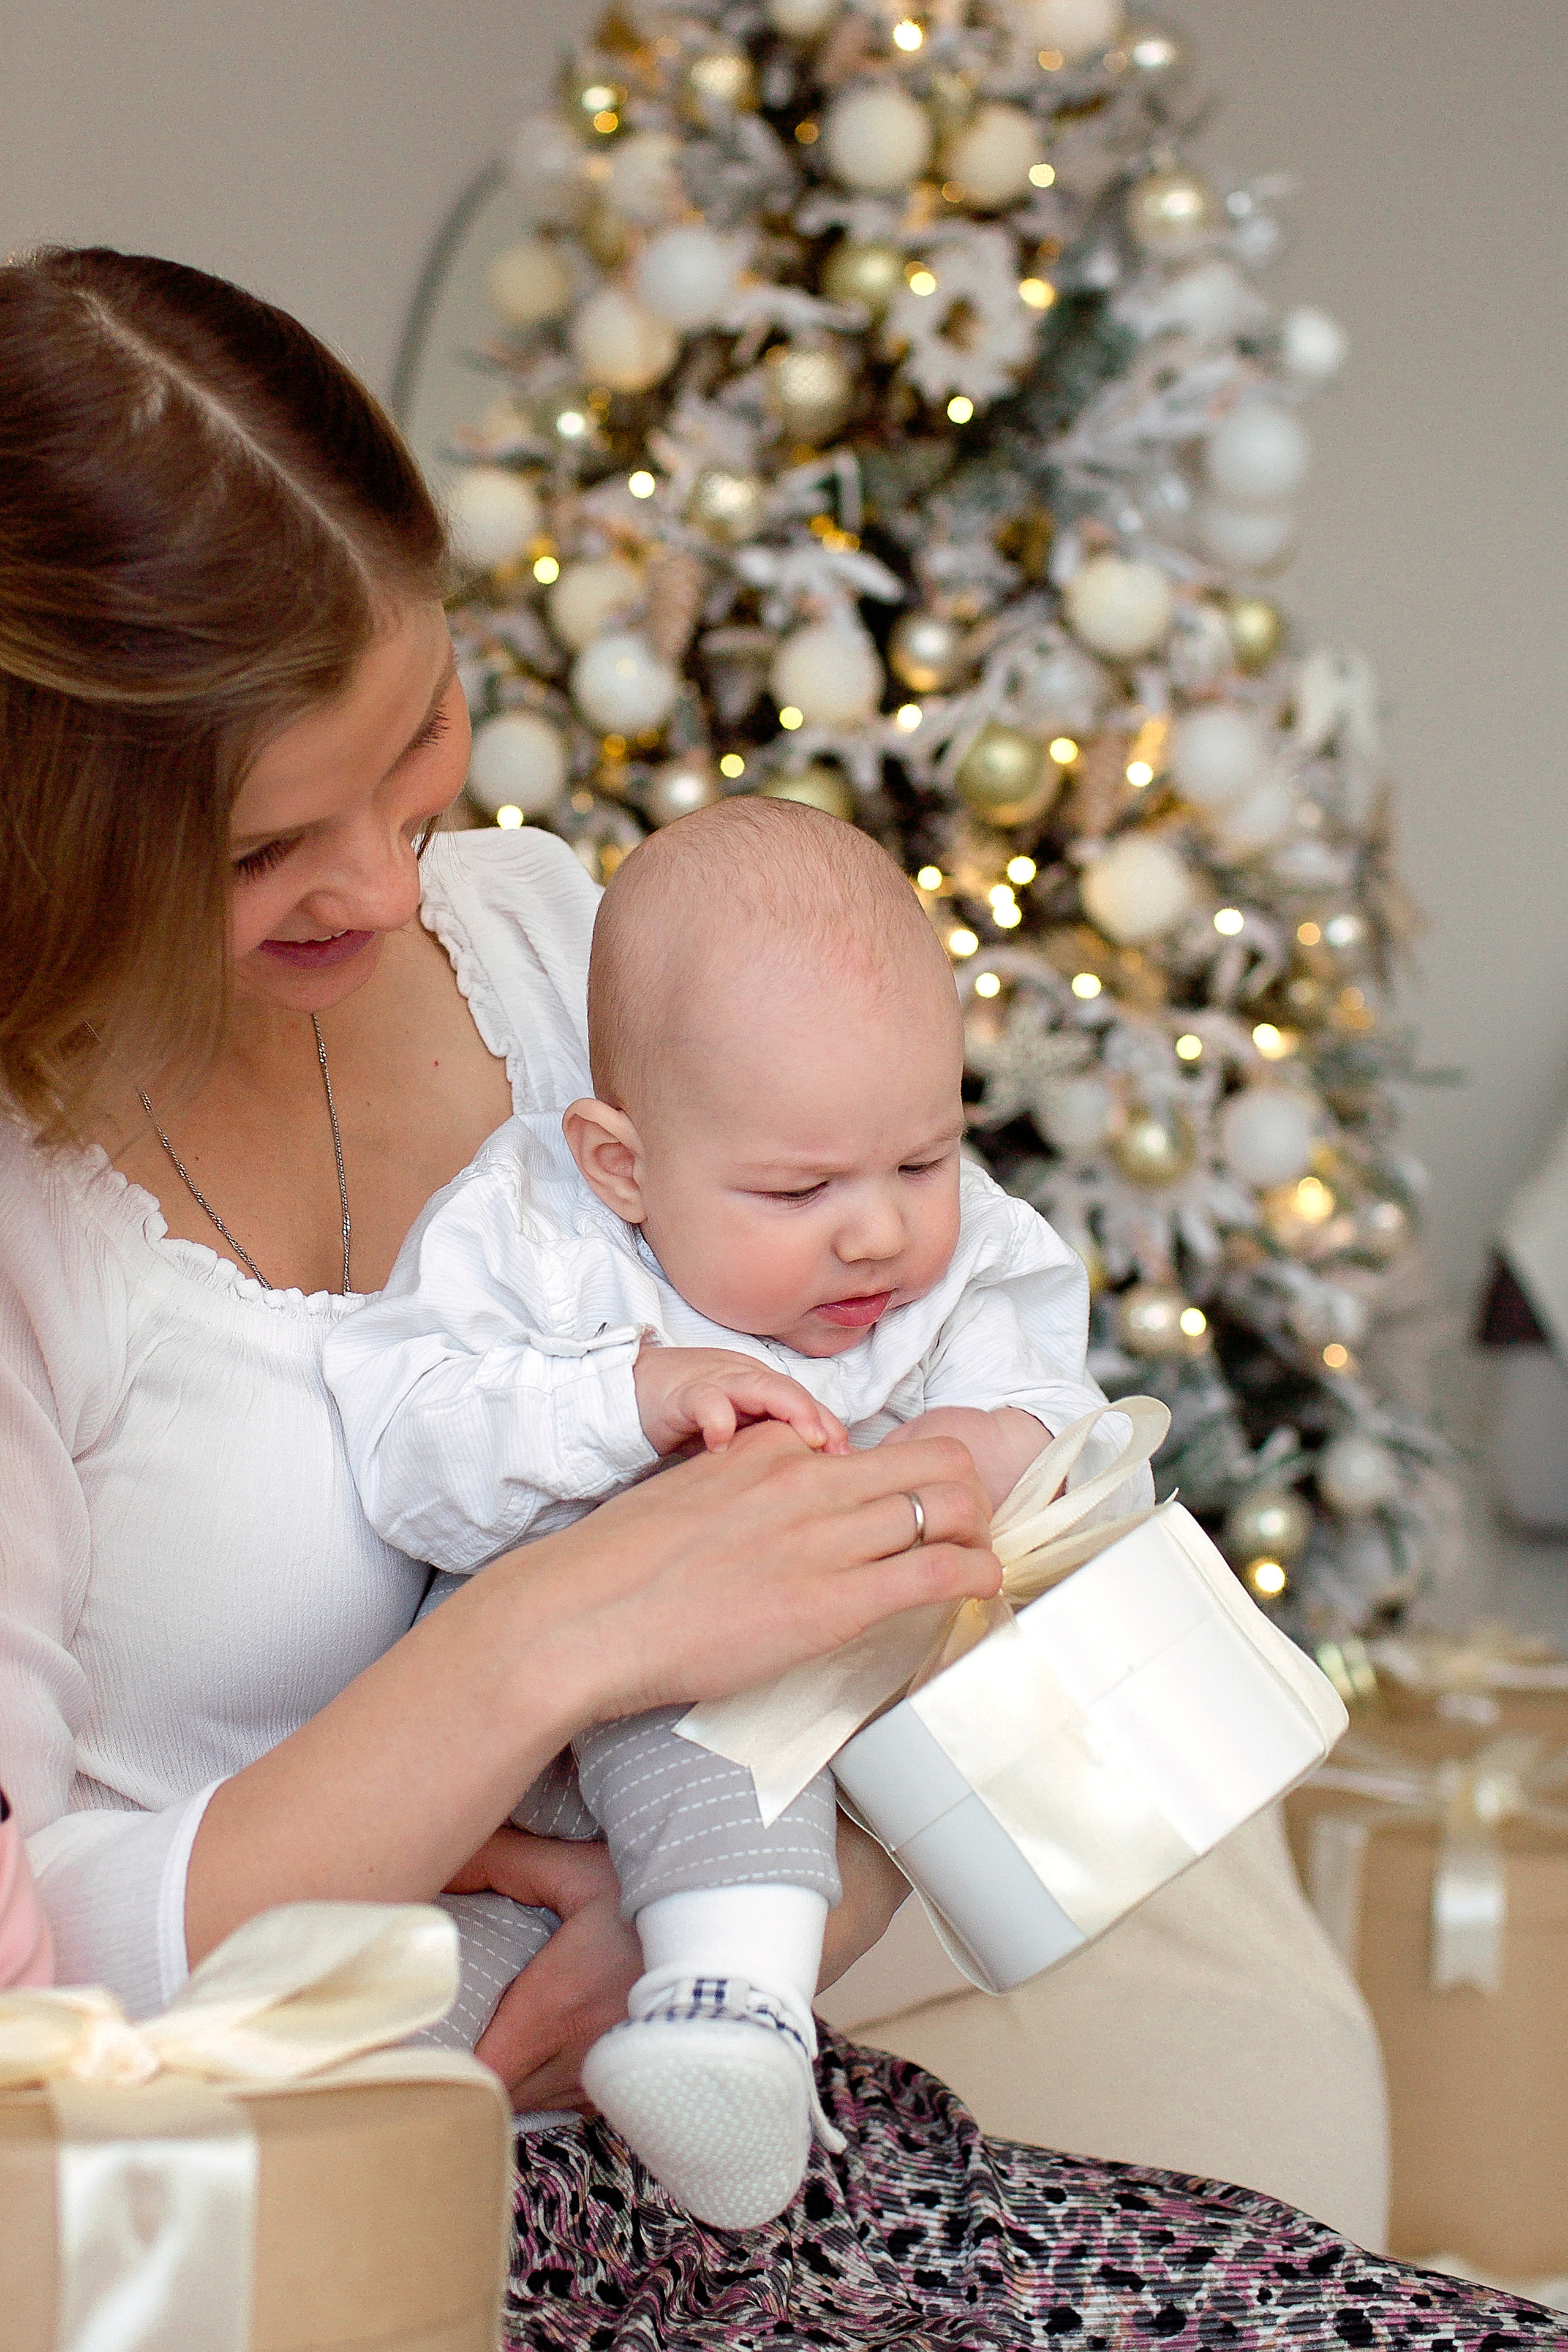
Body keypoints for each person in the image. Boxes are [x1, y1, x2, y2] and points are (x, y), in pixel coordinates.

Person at [0, 245, 1550, 2350]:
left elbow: (910, 1523)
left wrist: (716, 1927)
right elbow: (27, 1975)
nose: (383, 878)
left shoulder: (555, 947)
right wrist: (543, 1648)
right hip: (327, 2228)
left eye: (421, 735)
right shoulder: (35, 1216)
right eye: (276, 846)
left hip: (744, 2139)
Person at [325, 794, 1142, 2228]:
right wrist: (625, 1398)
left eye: (920, 1160)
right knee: (391, 2018)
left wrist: (969, 1448)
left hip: (749, 1750)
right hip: (523, 1711)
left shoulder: (964, 1265)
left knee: (525, 1960)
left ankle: (718, 2025)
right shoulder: (533, 1232)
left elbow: (1060, 1413)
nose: (876, 1228)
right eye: (797, 1186)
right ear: (619, 1164)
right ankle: (705, 2025)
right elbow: (407, 1446)